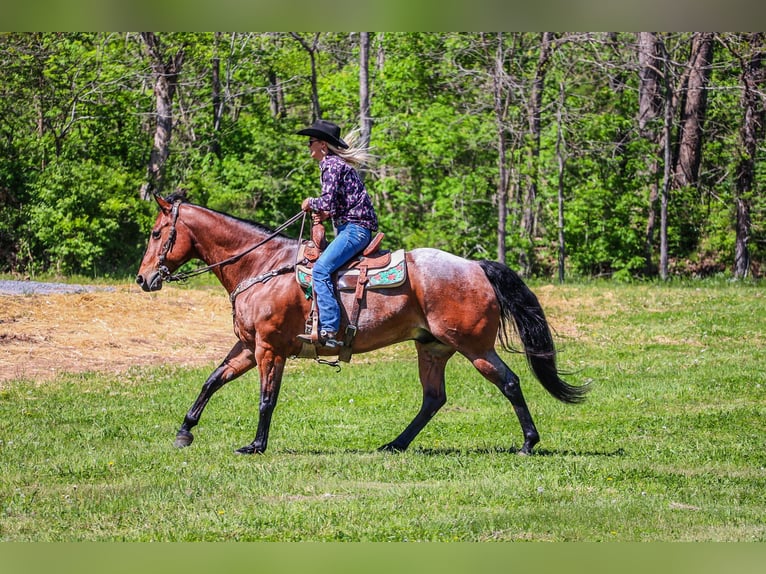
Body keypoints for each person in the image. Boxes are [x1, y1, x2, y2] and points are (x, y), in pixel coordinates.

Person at [295, 119, 378, 348]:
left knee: (320, 270)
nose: (308, 146)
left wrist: (310, 202)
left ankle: (330, 328)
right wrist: (325, 215)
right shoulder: (335, 165)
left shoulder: (331, 165)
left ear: (322, 144)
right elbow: (337, 204)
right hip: (352, 227)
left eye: (311, 142)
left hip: (354, 230)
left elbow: (327, 200)